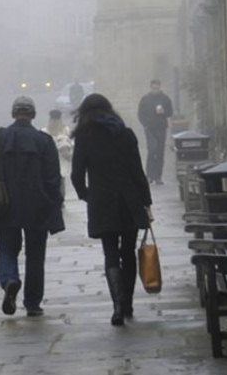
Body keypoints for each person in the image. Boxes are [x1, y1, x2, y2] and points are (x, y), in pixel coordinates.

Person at [0, 96, 65, 318]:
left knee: (7, 248)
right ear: (33, 115)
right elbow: (53, 178)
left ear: (13, 113)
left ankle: (10, 280)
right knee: (35, 254)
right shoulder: (44, 141)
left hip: (5, 204)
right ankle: (33, 303)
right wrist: (55, 202)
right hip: (37, 205)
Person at [71, 93, 153, 327]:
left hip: (102, 202)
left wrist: (86, 195)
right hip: (129, 200)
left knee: (110, 254)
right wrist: (146, 202)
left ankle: (117, 306)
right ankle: (127, 304)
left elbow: (77, 174)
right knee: (128, 252)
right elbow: (137, 171)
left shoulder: (85, 138)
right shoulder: (125, 134)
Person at [137, 79, 174, 185]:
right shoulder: (145, 99)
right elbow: (140, 113)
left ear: (160, 87)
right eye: (153, 88)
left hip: (161, 128)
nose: (155, 90)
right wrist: (145, 124)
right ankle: (149, 175)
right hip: (150, 129)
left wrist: (164, 112)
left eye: (157, 88)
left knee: (160, 152)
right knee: (152, 150)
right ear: (150, 87)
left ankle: (158, 176)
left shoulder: (165, 99)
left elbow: (170, 112)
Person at [43, 109, 72, 200]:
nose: (55, 122)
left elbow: (70, 144)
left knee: (61, 182)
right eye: (53, 120)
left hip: (62, 162)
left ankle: (60, 200)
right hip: (48, 162)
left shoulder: (66, 130)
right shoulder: (44, 132)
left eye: (57, 120)